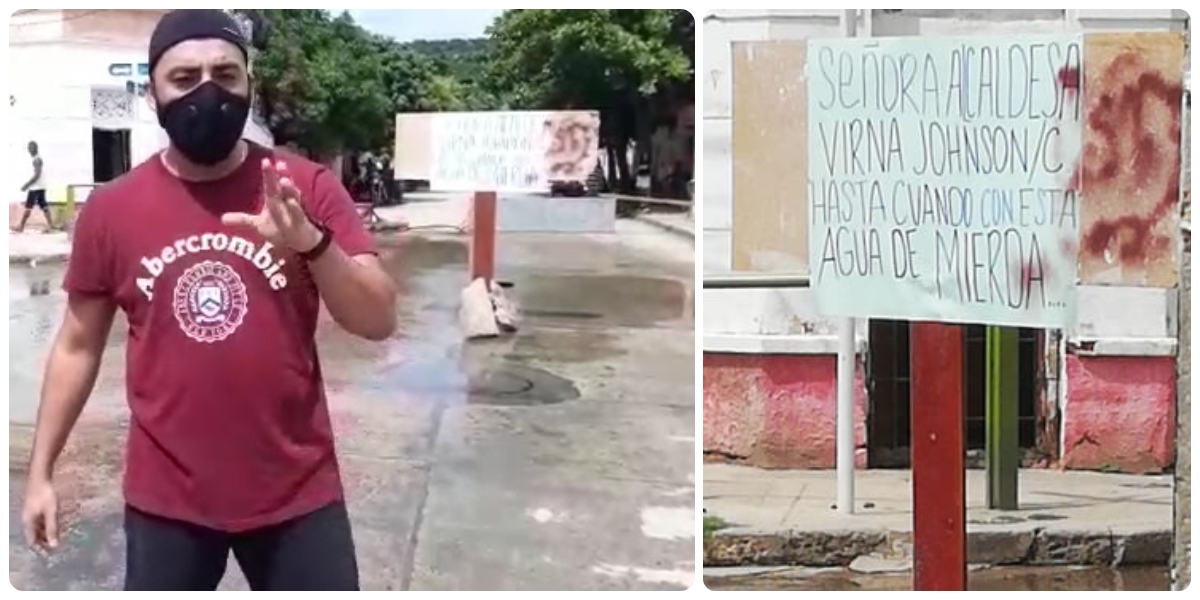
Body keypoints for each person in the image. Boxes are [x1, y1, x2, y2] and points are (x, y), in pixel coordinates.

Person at [19, 9, 398, 591]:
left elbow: (376, 319)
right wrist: (40, 472)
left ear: (250, 83)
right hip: (167, 502)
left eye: (225, 75)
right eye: (184, 78)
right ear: (153, 94)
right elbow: (76, 346)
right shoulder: (112, 210)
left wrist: (311, 243)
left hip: (297, 494)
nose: (207, 92)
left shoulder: (304, 188)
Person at [13, 141, 55, 233]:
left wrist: (26, 185)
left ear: (36, 148)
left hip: (35, 187)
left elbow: (37, 175)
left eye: (31, 148)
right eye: (29, 148)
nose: (29, 150)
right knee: (44, 205)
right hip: (40, 186)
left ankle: (21, 227)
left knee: (28, 206)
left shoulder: (37, 160)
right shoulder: (36, 159)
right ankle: (51, 226)